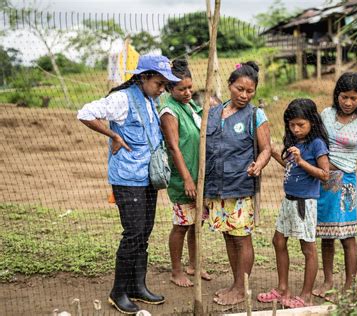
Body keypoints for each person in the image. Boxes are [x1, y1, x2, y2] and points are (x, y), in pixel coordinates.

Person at [77, 54, 180, 314]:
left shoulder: (149, 99)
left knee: (144, 233)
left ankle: (137, 286)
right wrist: (113, 134)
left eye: (165, 85)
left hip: (147, 178)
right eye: (159, 83)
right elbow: (85, 113)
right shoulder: (122, 99)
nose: (162, 89)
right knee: (133, 234)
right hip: (127, 179)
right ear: (144, 77)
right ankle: (118, 292)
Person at [205, 61, 271, 305]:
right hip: (217, 187)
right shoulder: (214, 112)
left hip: (240, 187)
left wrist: (259, 165)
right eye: (240, 89)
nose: (244, 95)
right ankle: (235, 283)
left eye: (250, 91)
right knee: (228, 236)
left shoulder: (256, 115)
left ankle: (242, 289)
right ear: (230, 85)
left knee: (241, 237)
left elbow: (266, 149)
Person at [257, 99, 330, 308]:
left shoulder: (317, 144)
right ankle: (282, 289)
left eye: (301, 125)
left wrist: (302, 162)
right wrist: (272, 152)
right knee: (278, 241)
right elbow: (291, 167)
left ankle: (306, 295)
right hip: (289, 201)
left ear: (312, 123)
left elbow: (325, 175)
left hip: (304, 203)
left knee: (307, 247)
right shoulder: (295, 143)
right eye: (292, 125)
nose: (296, 129)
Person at [313, 72, 357, 299]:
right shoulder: (326, 115)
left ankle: (349, 286)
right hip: (323, 180)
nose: (348, 102)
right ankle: (328, 280)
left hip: (346, 183)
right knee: (326, 234)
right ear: (336, 95)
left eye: (353, 98)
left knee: (347, 235)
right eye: (344, 97)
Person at [159, 59, 211, 287]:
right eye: (182, 89)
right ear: (170, 88)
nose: (188, 92)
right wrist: (188, 179)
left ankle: (194, 265)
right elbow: (174, 147)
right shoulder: (169, 111)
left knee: (195, 223)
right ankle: (176, 271)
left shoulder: (189, 106)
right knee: (181, 226)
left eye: (190, 87)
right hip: (184, 179)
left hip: (199, 177)